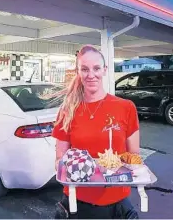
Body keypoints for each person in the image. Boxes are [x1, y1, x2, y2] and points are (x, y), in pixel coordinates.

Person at [52, 45, 140, 219]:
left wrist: (121, 169)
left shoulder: (126, 107)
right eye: (84, 69)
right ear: (78, 72)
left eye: (96, 68)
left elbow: (134, 157)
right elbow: (59, 161)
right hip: (78, 204)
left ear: (105, 70)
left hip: (118, 204)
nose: (91, 75)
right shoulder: (67, 111)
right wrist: (77, 169)